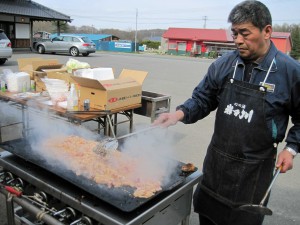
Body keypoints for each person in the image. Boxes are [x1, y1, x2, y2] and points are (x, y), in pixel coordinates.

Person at [153, 1, 300, 225]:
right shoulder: (224, 64)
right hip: (217, 165)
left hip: (255, 171)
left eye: (245, 33)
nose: (238, 40)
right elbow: (203, 98)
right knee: (208, 218)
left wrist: (291, 148)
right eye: (234, 33)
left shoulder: (289, 71)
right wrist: (177, 115)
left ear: (267, 31)